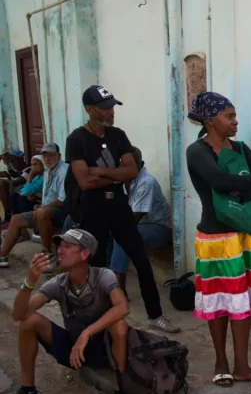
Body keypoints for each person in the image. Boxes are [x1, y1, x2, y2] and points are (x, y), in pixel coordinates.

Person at [65, 85, 179, 333]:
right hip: (92, 206)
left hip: (118, 203)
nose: (111, 111)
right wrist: (117, 176)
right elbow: (84, 181)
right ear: (89, 109)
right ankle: (99, 317)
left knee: (140, 258)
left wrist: (102, 172)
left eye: (112, 107)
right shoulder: (76, 139)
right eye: (105, 108)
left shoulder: (118, 135)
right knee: (94, 263)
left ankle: (155, 314)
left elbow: (132, 171)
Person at [0, 229, 136, 394]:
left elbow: (123, 307)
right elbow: (19, 315)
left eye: (68, 246)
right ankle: (27, 392)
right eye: (60, 246)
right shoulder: (59, 283)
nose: (60, 251)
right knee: (28, 323)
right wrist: (29, 281)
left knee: (119, 325)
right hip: (74, 351)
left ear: (84, 254)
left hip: (103, 349)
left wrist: (86, 333)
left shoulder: (102, 276)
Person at [187, 92, 251, 384]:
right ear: (211, 120)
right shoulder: (197, 151)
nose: (236, 121)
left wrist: (239, 186)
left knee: (243, 301)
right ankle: (221, 363)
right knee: (219, 301)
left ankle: (241, 365)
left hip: (248, 235)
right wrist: (246, 182)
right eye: (230, 116)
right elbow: (219, 181)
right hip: (217, 238)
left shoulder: (240, 147)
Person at [109, 147, 172, 295]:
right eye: (123, 165)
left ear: (140, 164)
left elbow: (134, 218)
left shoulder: (146, 182)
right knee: (106, 230)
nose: (126, 169)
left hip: (160, 229)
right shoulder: (122, 181)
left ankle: (119, 290)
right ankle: (107, 280)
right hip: (141, 226)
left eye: (131, 164)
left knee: (123, 234)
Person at [0, 143, 68, 267]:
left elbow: (62, 201)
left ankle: (48, 252)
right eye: (45, 156)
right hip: (47, 209)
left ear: (59, 156)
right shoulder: (48, 169)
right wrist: (41, 205)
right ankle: (2, 257)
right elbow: (30, 192)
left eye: (51, 155)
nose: (47, 159)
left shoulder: (64, 171)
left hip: (63, 212)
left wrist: (43, 207)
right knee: (16, 219)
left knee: (41, 212)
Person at [0, 149, 30, 226]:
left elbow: (14, 183)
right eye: (10, 162)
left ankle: (8, 216)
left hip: (26, 201)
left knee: (2, 184)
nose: (12, 164)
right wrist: (2, 158)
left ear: (21, 159)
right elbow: (11, 173)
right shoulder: (17, 172)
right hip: (16, 200)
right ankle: (8, 216)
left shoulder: (28, 170)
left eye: (13, 161)